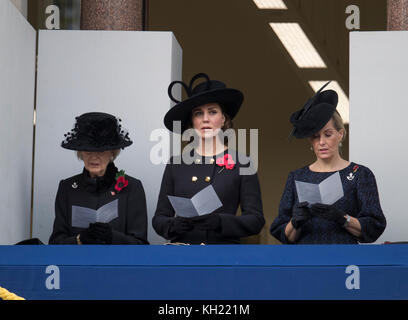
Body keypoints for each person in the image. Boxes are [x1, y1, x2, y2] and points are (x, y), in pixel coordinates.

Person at [153, 73, 265, 244]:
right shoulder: (176, 164)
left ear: (223, 119)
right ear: (192, 122)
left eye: (212, 112)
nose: (205, 119)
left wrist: (221, 222)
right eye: (198, 113)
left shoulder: (242, 162)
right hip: (183, 255)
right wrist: (174, 225)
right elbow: (159, 218)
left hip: (223, 257)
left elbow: (255, 220)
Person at [270, 82, 386, 244]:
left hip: (345, 261)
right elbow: (281, 232)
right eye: (315, 136)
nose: (322, 142)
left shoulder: (360, 174)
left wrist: (342, 218)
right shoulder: (297, 177)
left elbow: (374, 226)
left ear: (340, 134)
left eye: (328, 134)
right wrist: (295, 222)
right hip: (305, 259)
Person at [49, 112, 148, 245]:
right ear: (80, 153)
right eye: (87, 151)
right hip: (78, 264)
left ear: (112, 152)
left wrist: (112, 237)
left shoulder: (132, 187)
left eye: (101, 151)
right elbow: (55, 243)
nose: (94, 158)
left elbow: (141, 245)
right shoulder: (67, 188)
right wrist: (79, 239)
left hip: (118, 264)